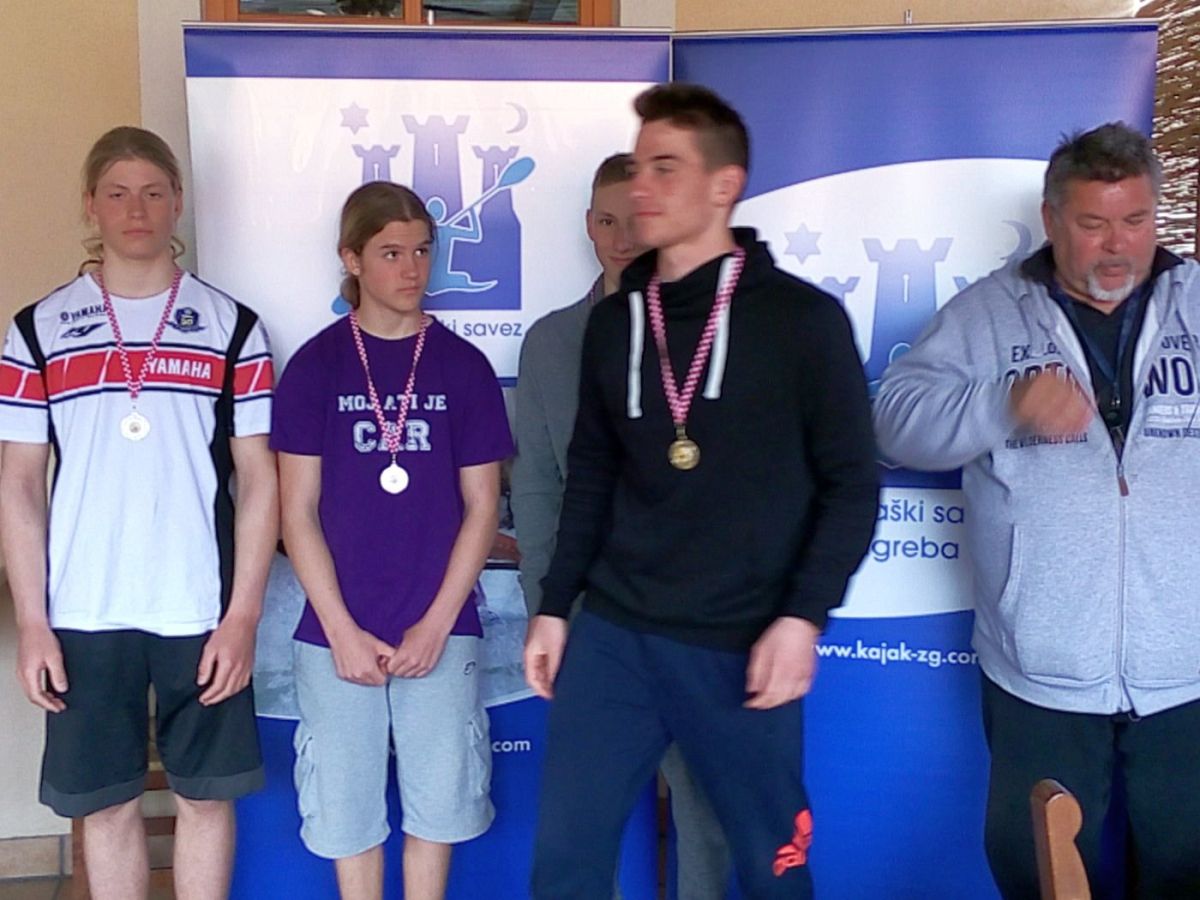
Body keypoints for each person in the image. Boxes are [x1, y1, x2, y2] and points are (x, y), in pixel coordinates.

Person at [523, 84, 878, 899]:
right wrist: (555, 604)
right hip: (614, 635)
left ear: (725, 185)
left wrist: (803, 617)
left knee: (769, 868)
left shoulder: (802, 321)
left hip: (740, 641)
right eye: (638, 166)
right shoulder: (616, 324)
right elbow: (592, 476)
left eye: (666, 168)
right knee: (565, 864)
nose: (642, 187)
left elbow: (852, 484)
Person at [873, 122, 1200, 898]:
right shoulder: (988, 314)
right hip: (1039, 676)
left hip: (1187, 672)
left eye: (1135, 220)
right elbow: (892, 422)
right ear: (1051, 219)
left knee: (1186, 873)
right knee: (1038, 873)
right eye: (1092, 224)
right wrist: (1005, 402)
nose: (1117, 246)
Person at [0, 126, 277, 900]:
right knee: (108, 807)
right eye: (117, 193)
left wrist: (243, 616)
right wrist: (32, 621)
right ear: (90, 204)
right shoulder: (36, 330)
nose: (136, 209)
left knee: (205, 800)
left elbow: (261, 479)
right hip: (83, 609)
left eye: (153, 192)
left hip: (200, 607)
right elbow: (19, 483)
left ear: (177, 202)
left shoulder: (233, 327)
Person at [272, 181, 512, 900]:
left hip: (439, 626)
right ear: (351, 259)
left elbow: (482, 506)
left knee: (441, 809)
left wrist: (437, 624)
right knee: (346, 817)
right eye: (391, 253)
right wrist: (341, 630)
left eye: (422, 252)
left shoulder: (462, 366)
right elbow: (296, 512)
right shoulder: (316, 367)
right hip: (335, 632)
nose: (412, 269)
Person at [512, 152, 733, 898]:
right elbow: (537, 490)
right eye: (607, 221)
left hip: (695, 620)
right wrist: (548, 608)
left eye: (636, 221)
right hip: (590, 618)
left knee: (705, 810)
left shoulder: (714, 337)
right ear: (588, 226)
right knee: (584, 822)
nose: (622, 238)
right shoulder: (550, 343)